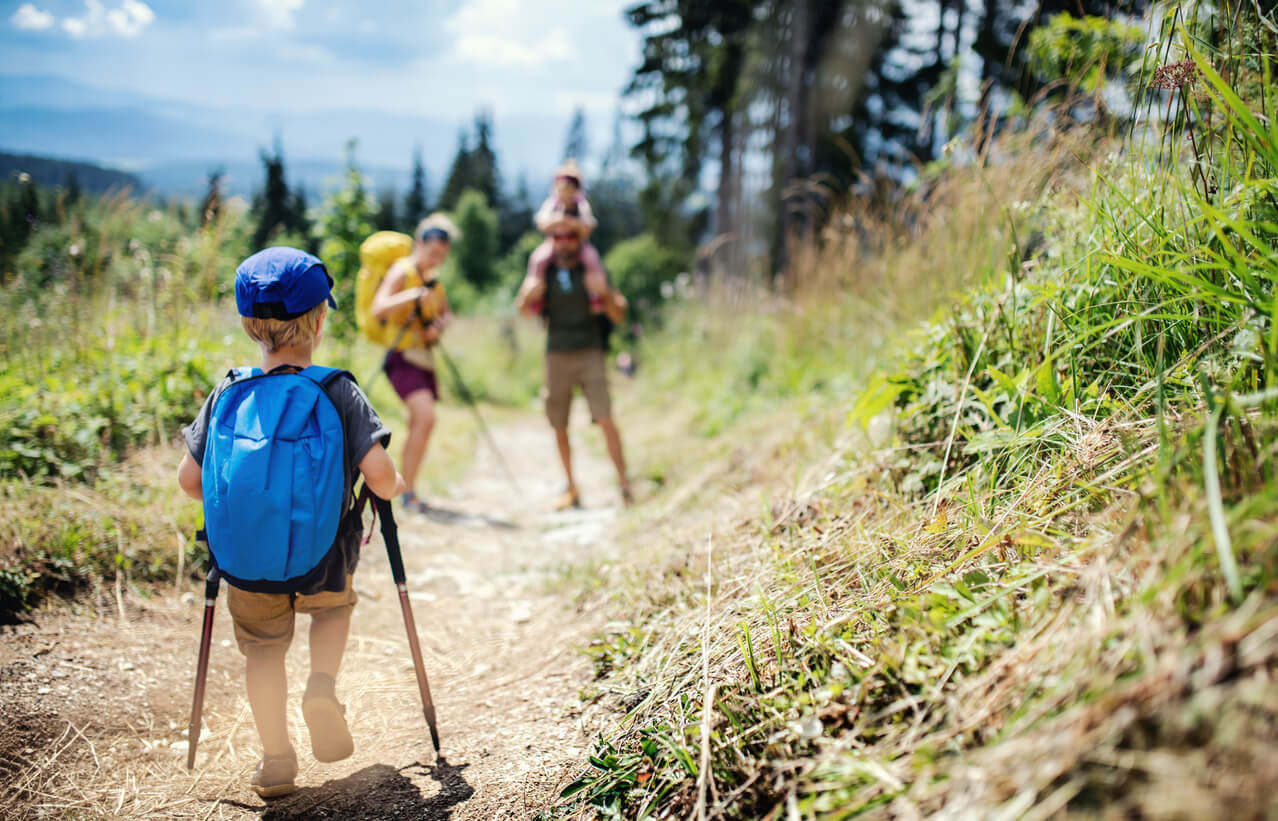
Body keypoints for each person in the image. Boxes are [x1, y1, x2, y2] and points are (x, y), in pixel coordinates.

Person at [177, 247, 406, 798]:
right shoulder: (336, 390)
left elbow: (189, 481)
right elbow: (382, 478)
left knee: (262, 651)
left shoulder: (227, 391)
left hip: (247, 559)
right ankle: (321, 687)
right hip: (326, 552)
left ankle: (277, 758)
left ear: (248, 322)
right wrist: (391, 486)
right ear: (320, 320)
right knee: (331, 613)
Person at [516, 224, 632, 509]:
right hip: (556, 355)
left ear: (579, 239)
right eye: (558, 237)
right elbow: (522, 310)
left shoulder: (591, 268)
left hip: (590, 352)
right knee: (559, 424)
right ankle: (571, 487)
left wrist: (603, 295)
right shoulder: (544, 271)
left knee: (605, 417)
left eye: (570, 236)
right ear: (551, 240)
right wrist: (528, 295)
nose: (564, 242)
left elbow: (619, 313)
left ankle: (625, 485)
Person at [370, 213, 457, 513]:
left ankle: (408, 489)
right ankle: (403, 489)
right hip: (400, 356)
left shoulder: (433, 280)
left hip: (424, 358)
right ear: (419, 243)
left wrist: (439, 326)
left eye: (441, 256)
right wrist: (411, 295)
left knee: (420, 422)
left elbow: (446, 313)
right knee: (426, 417)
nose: (436, 260)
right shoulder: (402, 271)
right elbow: (378, 307)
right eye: (432, 253)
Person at [526, 159, 606, 291]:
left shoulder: (581, 205)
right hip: (553, 244)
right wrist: (558, 220)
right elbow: (541, 222)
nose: (566, 194)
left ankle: (595, 294)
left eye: (570, 189)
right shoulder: (552, 203)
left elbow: (588, 225)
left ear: (576, 190)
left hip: (578, 246)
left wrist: (570, 222)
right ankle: (537, 288)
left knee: (591, 259)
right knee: (537, 259)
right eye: (563, 189)